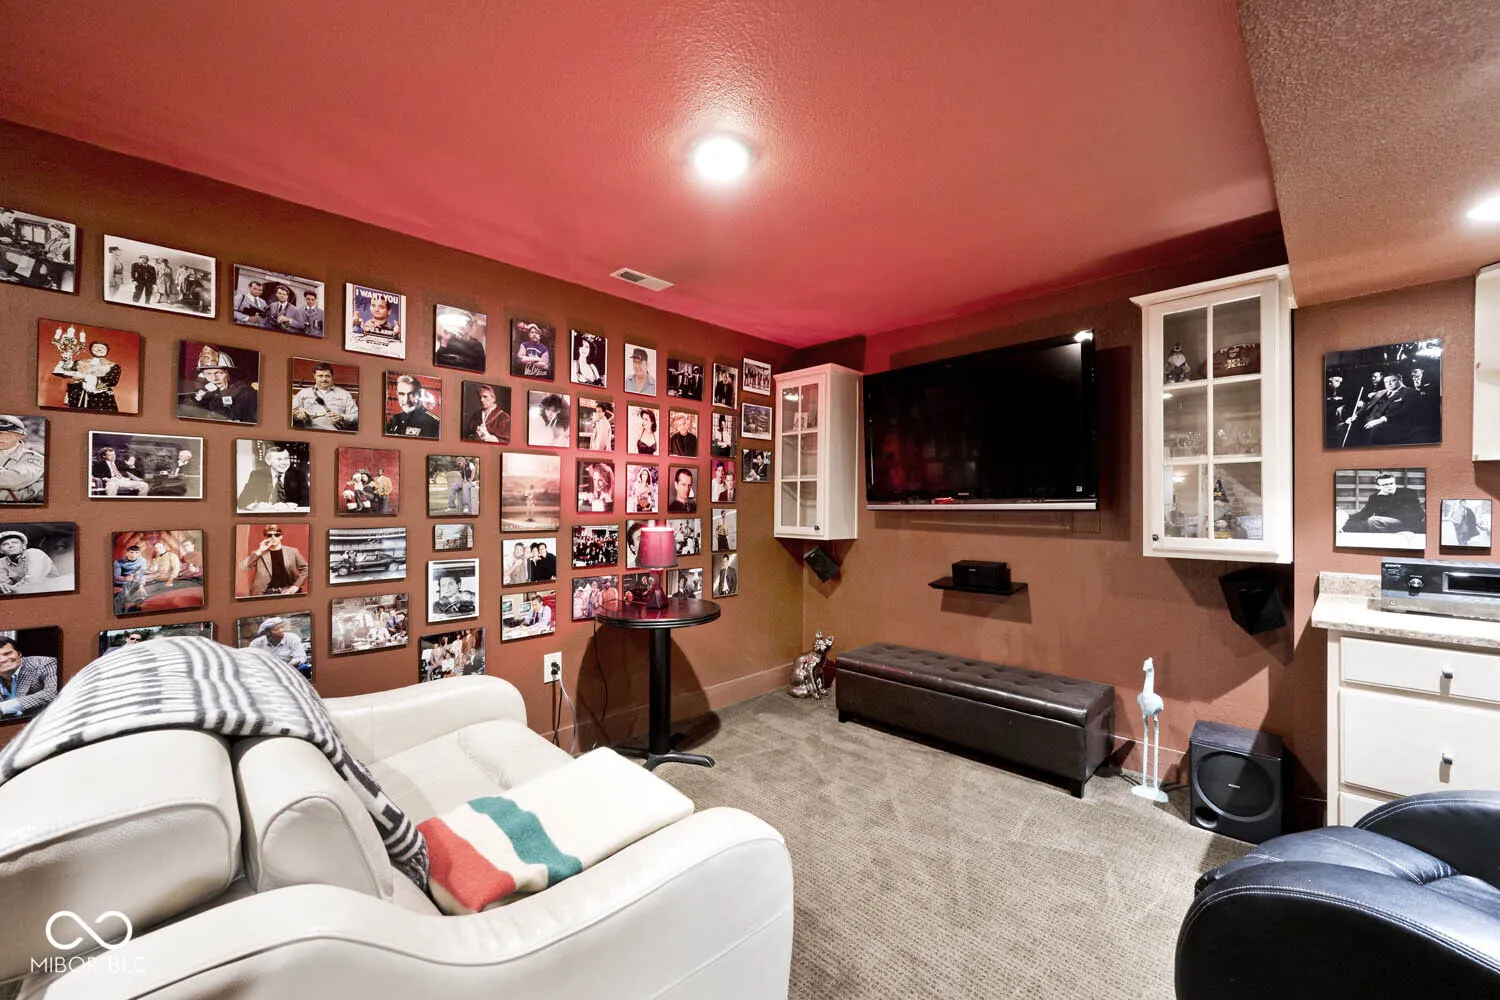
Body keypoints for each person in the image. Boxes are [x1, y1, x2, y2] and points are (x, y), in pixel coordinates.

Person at [181, 347, 258, 423]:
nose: (214, 379)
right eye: (208, 374)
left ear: (229, 374)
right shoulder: (205, 395)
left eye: (218, 373)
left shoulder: (246, 393)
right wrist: (197, 400)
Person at [1342, 473, 1426, 534]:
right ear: (1378, 487)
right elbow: (1365, 514)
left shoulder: (1408, 493)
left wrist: (1409, 530)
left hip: (1406, 524)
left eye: (1391, 483)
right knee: (1363, 523)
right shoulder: (1375, 497)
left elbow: (1418, 513)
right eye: (1385, 485)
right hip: (1386, 525)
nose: (1389, 486)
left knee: (1374, 520)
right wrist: (1346, 517)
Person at [238, 524, 308, 597]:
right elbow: (243, 567)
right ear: (265, 538)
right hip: (264, 594)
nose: (273, 537)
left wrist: (296, 586)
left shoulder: (292, 551)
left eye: (276, 535)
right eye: (269, 535)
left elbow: (306, 569)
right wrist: (260, 550)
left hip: (288, 592)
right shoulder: (258, 553)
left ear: (281, 536)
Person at [54, 340, 122, 412]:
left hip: (101, 397)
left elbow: (112, 381)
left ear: (107, 351)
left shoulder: (113, 366)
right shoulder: (79, 362)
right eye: (96, 347)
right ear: (91, 349)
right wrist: (66, 360)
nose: (99, 349)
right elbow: (65, 372)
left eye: (102, 348)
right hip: (78, 395)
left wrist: (85, 378)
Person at [0, 636, 58, 720]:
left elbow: (54, 691)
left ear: (19, 654)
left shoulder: (44, 664)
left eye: (7, 653)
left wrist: (3, 707)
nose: (2, 660)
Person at [238, 444, 309, 511]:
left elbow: (307, 501)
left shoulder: (298, 475)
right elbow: (242, 501)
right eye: (279, 459)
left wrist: (288, 506)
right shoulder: (257, 475)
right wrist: (256, 506)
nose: (284, 463)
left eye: (286, 458)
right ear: (268, 461)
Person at [292, 361, 358, 431]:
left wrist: (342, 417)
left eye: (327, 376)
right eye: (320, 376)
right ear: (314, 376)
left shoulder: (345, 394)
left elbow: (356, 416)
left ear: (332, 376)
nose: (324, 379)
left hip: (335, 433)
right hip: (308, 432)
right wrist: (296, 414)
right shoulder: (303, 393)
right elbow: (290, 412)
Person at [0, 415, 45, 504]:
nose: (0, 438)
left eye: (7, 435)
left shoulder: (33, 458)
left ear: (19, 436)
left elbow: (12, 480)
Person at [0, 529, 57, 595]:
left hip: (53, 590)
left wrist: (10, 589)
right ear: (1, 550)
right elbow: (3, 582)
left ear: (24, 546)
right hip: (26, 593)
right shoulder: (1, 562)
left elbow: (32, 580)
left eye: (15, 542)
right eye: (5, 544)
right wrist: (3, 585)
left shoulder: (35, 553)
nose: (11, 546)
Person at [113, 542, 147, 612]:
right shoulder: (118, 562)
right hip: (122, 582)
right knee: (122, 597)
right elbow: (115, 577)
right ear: (127, 553)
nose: (133, 555)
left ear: (139, 554)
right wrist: (125, 578)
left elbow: (142, 574)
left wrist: (141, 585)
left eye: (136, 553)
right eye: (131, 552)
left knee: (143, 594)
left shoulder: (143, 561)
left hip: (135, 582)